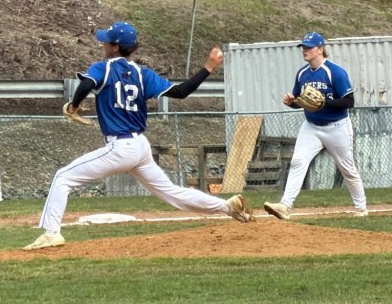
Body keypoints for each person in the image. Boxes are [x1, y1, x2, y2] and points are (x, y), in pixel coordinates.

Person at [24, 21, 268, 251]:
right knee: (171, 192)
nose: (104, 45)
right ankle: (227, 206)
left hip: (120, 146)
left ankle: (51, 232)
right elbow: (181, 92)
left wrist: (74, 105)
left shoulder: (104, 67)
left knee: (63, 177)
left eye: (107, 42)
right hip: (139, 146)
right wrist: (209, 68)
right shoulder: (143, 74)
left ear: (115, 47)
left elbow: (87, 84)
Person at [263, 32, 367, 220]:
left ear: (321, 49)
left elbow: (349, 101)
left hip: (337, 127)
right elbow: (300, 100)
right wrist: (292, 102)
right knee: (298, 162)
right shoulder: (302, 74)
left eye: (309, 47)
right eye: (303, 47)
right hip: (311, 126)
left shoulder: (334, 72)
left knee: (347, 169)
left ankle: (361, 208)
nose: (305, 50)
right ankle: (285, 206)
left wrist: (325, 104)